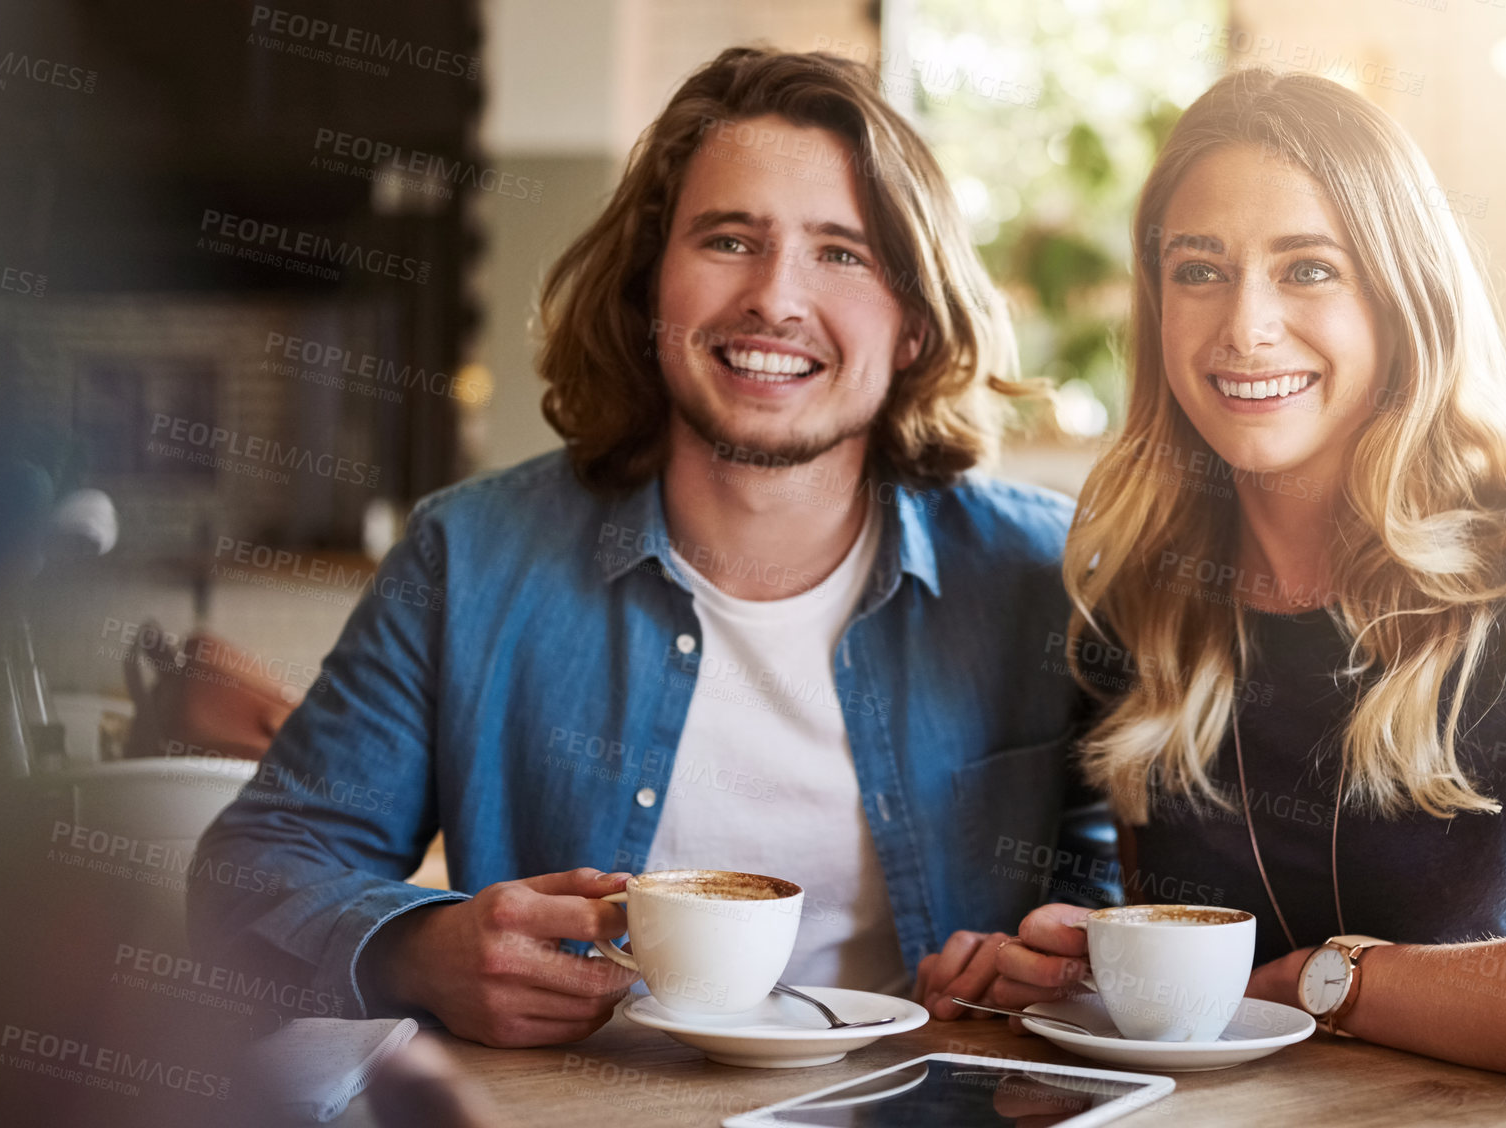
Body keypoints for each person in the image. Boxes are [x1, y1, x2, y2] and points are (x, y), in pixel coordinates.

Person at [191, 46, 1109, 1049]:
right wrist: (417, 951)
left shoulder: (1042, 575)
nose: (775, 298)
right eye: (727, 239)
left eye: (841, 252)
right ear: (646, 292)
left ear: (914, 327)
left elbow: (1106, 904)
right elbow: (255, 873)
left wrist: (1052, 960)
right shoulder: (467, 558)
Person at [998, 68, 1506, 1090]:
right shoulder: (1144, 599)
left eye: (1308, 269)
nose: (1244, 325)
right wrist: (1079, 966)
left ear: (1401, 293)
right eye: (1198, 270)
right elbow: (1213, 1003)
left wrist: (1331, 984)